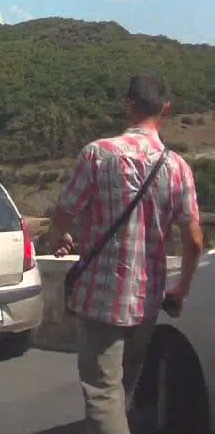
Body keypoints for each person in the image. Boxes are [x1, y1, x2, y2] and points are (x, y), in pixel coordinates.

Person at [46, 73, 203, 434]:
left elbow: (64, 212)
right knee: (124, 388)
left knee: (102, 393)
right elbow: (194, 240)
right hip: (146, 301)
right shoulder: (178, 167)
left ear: (127, 103)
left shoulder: (98, 154)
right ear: (166, 109)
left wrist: (59, 237)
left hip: (101, 300)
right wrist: (181, 288)